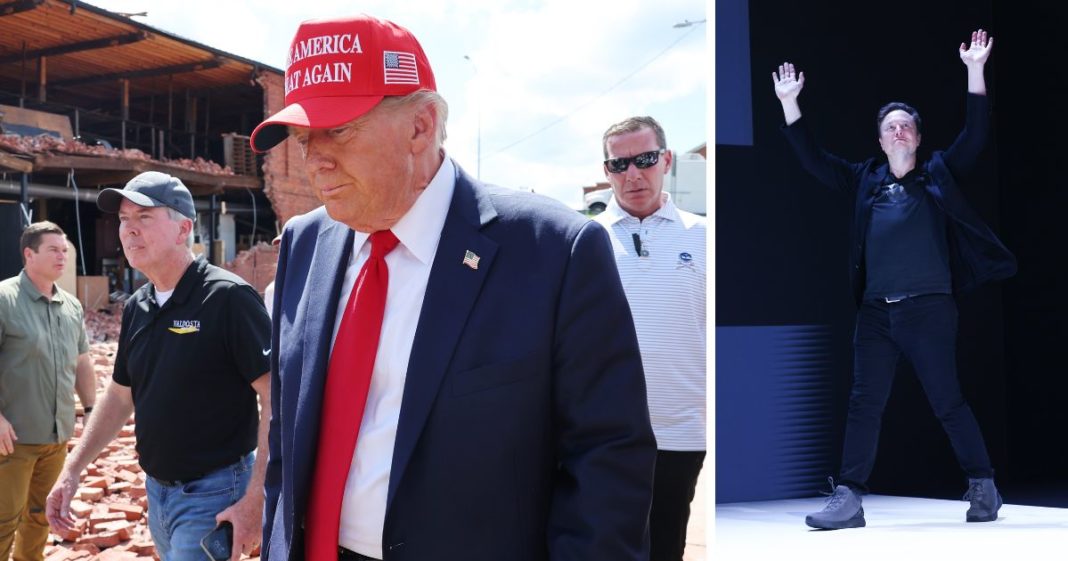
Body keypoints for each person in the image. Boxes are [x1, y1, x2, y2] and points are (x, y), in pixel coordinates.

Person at [248, 14, 656, 561]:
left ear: (420, 125)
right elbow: (287, 439)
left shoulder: (552, 251)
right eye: (302, 136)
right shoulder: (304, 242)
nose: (313, 157)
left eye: (338, 129)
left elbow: (606, 464)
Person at [772, 29, 1016, 529]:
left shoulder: (939, 173)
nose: (898, 132)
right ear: (880, 140)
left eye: (906, 126)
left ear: (919, 138)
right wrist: (789, 104)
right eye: (890, 127)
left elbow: (975, 136)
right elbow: (813, 161)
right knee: (864, 403)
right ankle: (850, 497)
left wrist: (975, 69)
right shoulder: (865, 179)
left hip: (930, 308)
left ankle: (983, 485)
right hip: (876, 312)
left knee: (947, 401)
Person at [45, 171, 272, 561]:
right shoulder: (138, 305)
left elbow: (276, 400)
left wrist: (256, 499)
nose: (129, 230)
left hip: (214, 493)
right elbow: (119, 395)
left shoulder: (228, 298)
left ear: (184, 228)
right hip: (158, 493)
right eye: (123, 220)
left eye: (144, 217)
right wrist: (73, 466)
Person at [594, 116, 706, 561]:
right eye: (619, 164)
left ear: (667, 160)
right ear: (606, 171)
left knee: (664, 549)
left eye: (644, 160)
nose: (633, 174)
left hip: (679, 436)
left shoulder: (703, 237)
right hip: (599, 440)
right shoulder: (586, 241)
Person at [0, 221, 96, 561]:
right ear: (29, 254)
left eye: (65, 250)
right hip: (12, 441)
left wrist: (90, 410)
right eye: (53, 249)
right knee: (3, 522)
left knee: (40, 517)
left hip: (56, 439)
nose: (62, 256)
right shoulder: (4, 299)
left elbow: (82, 362)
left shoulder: (71, 307)